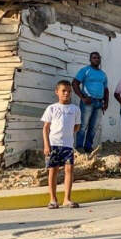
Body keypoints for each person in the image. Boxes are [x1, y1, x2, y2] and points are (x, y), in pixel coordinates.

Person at [41, 80, 81, 209]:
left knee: (69, 169)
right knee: (53, 170)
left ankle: (67, 199)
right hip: (54, 144)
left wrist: (67, 133)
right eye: (63, 91)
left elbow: (76, 127)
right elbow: (45, 128)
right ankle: (53, 199)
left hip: (68, 145)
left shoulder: (75, 109)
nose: (66, 94)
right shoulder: (52, 108)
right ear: (57, 92)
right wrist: (46, 145)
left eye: (69, 91)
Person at [72, 52, 108, 153]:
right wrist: (82, 97)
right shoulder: (85, 70)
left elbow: (106, 89)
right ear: (90, 59)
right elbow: (75, 83)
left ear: (100, 59)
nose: (96, 59)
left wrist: (106, 103)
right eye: (94, 58)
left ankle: (88, 147)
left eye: (98, 58)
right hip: (88, 101)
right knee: (83, 125)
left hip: (99, 103)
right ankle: (79, 147)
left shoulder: (103, 74)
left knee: (94, 127)